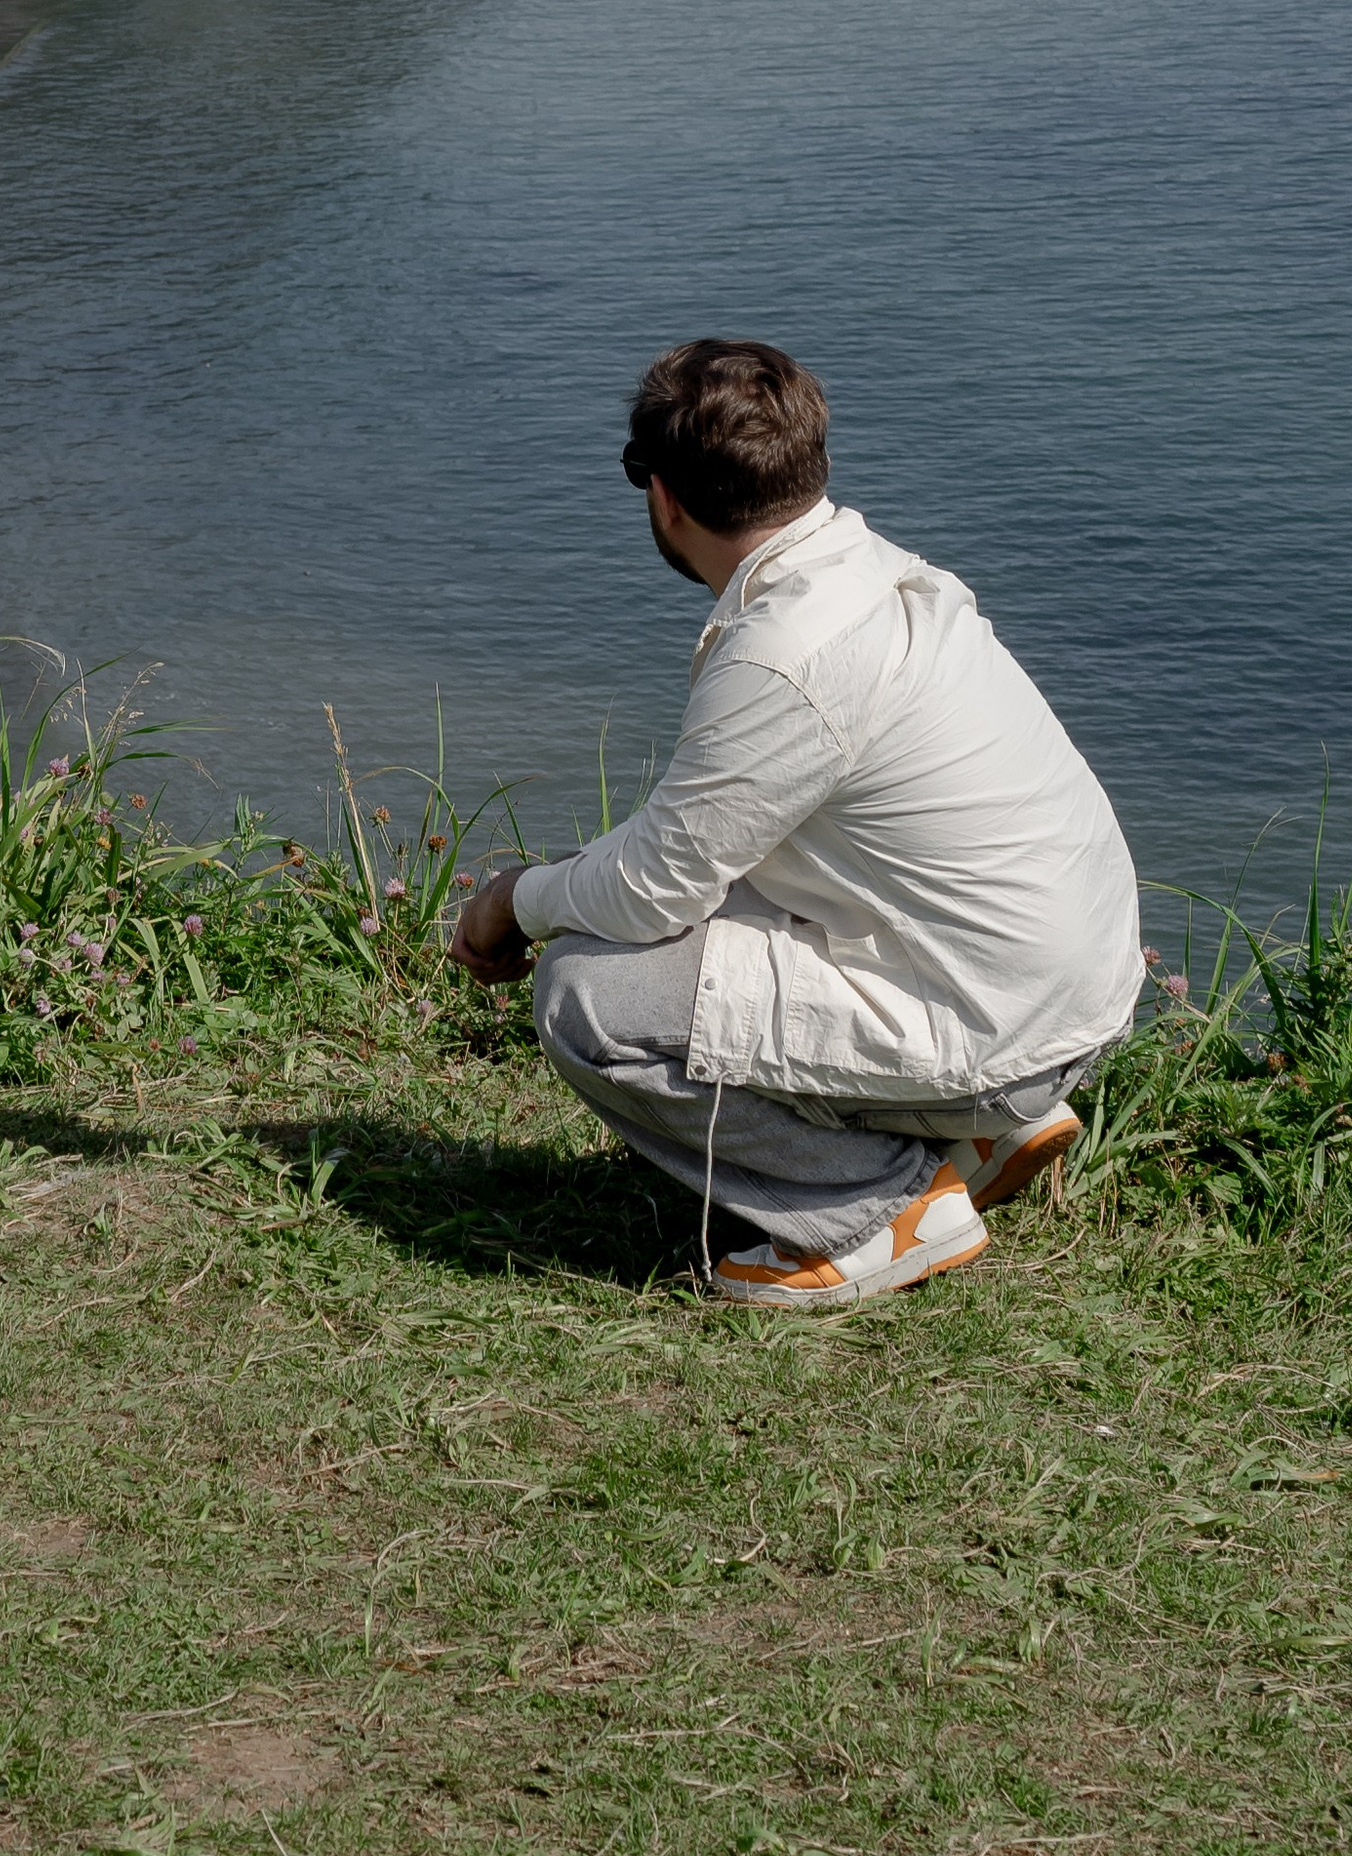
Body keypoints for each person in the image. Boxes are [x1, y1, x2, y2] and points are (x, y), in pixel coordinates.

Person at [451, 337, 1144, 1311]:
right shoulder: (875, 575)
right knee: (700, 906)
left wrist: (509, 901)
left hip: (1006, 1025)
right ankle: (974, 1133)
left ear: (662, 498)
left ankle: (875, 1211)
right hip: (1061, 989)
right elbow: (691, 857)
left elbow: (654, 889)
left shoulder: (784, 651)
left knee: (586, 993)